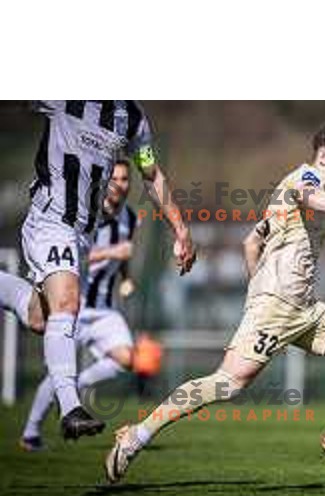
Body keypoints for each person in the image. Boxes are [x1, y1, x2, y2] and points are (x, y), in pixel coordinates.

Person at [105, 122, 325, 483]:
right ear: (324, 157)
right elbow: (310, 196)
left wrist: (256, 286)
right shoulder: (304, 179)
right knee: (227, 384)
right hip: (276, 308)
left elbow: (250, 242)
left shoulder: (298, 193)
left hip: (305, 308)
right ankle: (137, 437)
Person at [0, 101, 195, 441]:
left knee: (41, 319)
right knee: (67, 304)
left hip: (82, 236)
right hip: (51, 221)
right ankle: (71, 408)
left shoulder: (132, 118)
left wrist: (180, 228)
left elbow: (150, 172)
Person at [20, 160, 141, 450]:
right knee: (58, 373)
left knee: (126, 357)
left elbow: (123, 256)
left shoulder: (131, 218)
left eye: (125, 179)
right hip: (73, 302)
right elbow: (71, 258)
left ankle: (80, 384)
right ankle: (31, 433)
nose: (120, 185)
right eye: (115, 178)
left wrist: (126, 277)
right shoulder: (85, 214)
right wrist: (114, 251)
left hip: (103, 309)